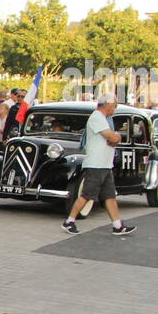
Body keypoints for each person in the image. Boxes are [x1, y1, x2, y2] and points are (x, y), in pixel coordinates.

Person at [62, 93, 136, 236]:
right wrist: (116, 137)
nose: (115, 108)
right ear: (107, 105)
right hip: (96, 164)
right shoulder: (97, 118)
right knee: (87, 195)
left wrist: (115, 138)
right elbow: (112, 137)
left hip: (105, 164)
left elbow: (113, 138)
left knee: (109, 196)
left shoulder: (103, 119)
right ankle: (69, 221)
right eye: (115, 105)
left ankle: (117, 225)